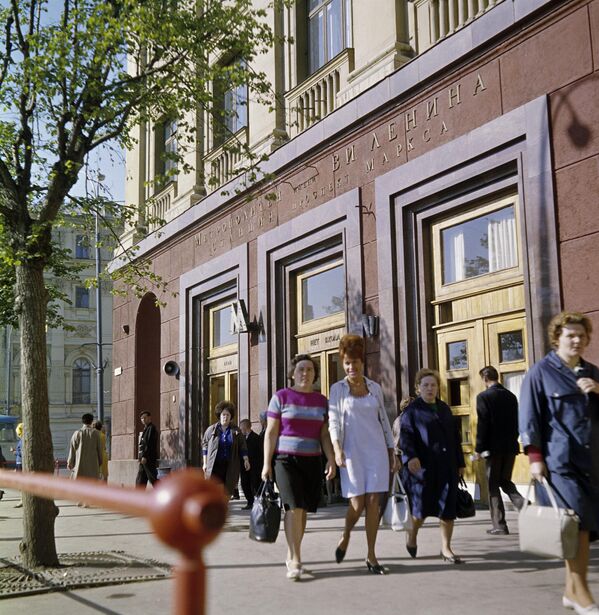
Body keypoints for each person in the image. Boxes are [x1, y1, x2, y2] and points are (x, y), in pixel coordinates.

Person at [520, 311, 599, 614]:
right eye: (571, 335)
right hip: (559, 463)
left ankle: (570, 591)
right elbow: (529, 417)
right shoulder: (541, 373)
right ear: (557, 338)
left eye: (581, 335)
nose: (577, 340)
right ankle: (582, 594)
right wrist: (535, 458)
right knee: (575, 526)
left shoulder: (592, 371)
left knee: (585, 528)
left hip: (591, 461)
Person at [262, 354, 336, 581]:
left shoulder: (321, 401)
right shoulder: (281, 397)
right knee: (293, 507)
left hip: (312, 460)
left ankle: (292, 552)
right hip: (285, 459)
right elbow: (271, 432)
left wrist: (331, 459)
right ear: (293, 373)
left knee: (303, 511)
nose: (306, 373)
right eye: (301, 369)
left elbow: (324, 434)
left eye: (310, 370)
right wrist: (266, 463)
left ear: (315, 374)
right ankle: (295, 558)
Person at [328, 334, 398, 574]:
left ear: (362, 361)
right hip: (351, 452)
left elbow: (385, 422)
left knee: (373, 504)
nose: (351, 367)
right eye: (347, 363)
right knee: (356, 504)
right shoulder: (337, 389)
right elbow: (333, 422)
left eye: (355, 362)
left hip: (376, 450)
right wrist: (337, 450)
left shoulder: (375, 388)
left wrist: (392, 452)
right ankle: (346, 533)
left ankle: (371, 555)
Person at [400, 368, 466, 564]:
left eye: (433, 385)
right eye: (426, 385)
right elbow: (406, 437)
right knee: (420, 510)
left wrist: (460, 462)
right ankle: (412, 536)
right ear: (418, 388)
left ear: (438, 387)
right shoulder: (412, 412)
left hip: (447, 467)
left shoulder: (445, 409)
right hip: (422, 469)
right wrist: (410, 457)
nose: (430, 388)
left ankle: (446, 548)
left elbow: (455, 438)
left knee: (447, 509)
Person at [474, 365, 524, 535]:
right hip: (510, 447)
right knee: (505, 481)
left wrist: (478, 449)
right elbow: (517, 421)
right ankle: (524, 506)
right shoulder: (511, 396)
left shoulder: (483, 397)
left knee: (493, 486)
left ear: (485, 379)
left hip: (493, 449)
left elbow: (483, 424)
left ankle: (499, 525)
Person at [203, 401, 249, 496]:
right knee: (216, 489)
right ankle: (218, 507)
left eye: (228, 415)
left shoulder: (236, 430)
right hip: (215, 465)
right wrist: (205, 463)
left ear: (231, 417)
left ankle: (223, 506)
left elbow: (242, 446)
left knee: (227, 490)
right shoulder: (211, 430)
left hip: (230, 465)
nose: (225, 417)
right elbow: (205, 445)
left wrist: (246, 460)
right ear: (219, 415)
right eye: (223, 415)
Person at [67, 413, 103, 480]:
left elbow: (72, 450)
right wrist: (100, 462)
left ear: (82, 421)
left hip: (79, 468)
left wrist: (70, 462)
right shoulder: (96, 434)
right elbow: (99, 451)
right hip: (93, 468)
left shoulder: (77, 433)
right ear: (91, 421)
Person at [239, 418, 261, 509]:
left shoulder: (256, 438)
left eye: (241, 428)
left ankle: (257, 503)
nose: (240, 430)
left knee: (255, 484)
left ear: (246, 427)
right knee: (244, 484)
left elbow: (260, 454)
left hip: (254, 466)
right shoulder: (241, 438)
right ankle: (250, 502)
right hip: (243, 466)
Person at [136, 411, 159, 487]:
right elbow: (142, 445)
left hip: (148, 459)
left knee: (153, 478)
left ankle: (164, 492)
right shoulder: (146, 428)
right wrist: (140, 456)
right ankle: (138, 496)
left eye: (145, 417)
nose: (143, 419)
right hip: (143, 459)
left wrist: (144, 456)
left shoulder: (151, 428)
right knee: (140, 479)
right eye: (141, 418)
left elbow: (149, 443)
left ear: (149, 417)